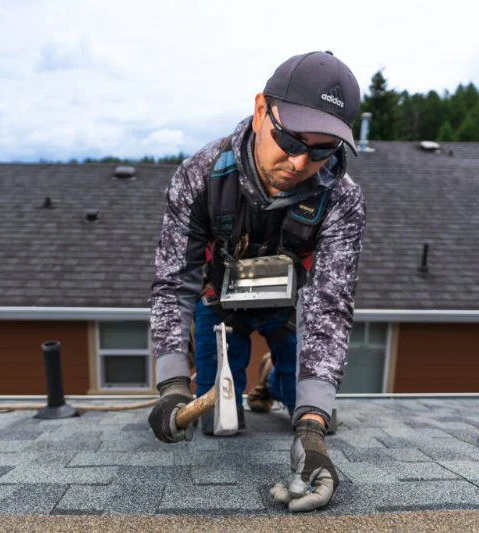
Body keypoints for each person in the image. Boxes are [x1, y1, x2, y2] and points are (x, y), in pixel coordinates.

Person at [148, 51, 366, 512]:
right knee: (218, 422)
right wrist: (171, 385)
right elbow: (173, 281)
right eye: (289, 139)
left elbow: (329, 306)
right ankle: (249, 378)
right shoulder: (200, 176)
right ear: (262, 109)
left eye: (322, 149)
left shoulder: (342, 200)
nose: (301, 160)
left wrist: (312, 426)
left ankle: (275, 380)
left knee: (306, 411)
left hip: (286, 312)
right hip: (219, 309)